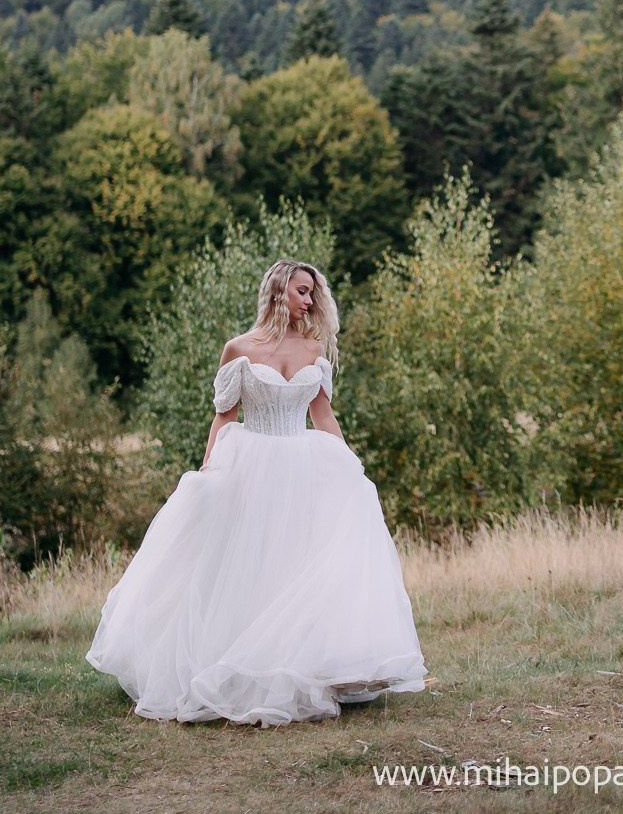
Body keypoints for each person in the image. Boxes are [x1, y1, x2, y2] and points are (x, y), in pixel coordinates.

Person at [86, 259, 427, 724]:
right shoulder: (239, 348)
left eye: (312, 294)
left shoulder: (313, 347)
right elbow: (224, 416)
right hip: (251, 463)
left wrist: (349, 463)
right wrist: (208, 469)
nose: (309, 301)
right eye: (302, 291)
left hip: (302, 463)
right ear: (278, 291)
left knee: (299, 565)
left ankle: (302, 666)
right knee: (246, 566)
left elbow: (322, 415)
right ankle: (233, 670)